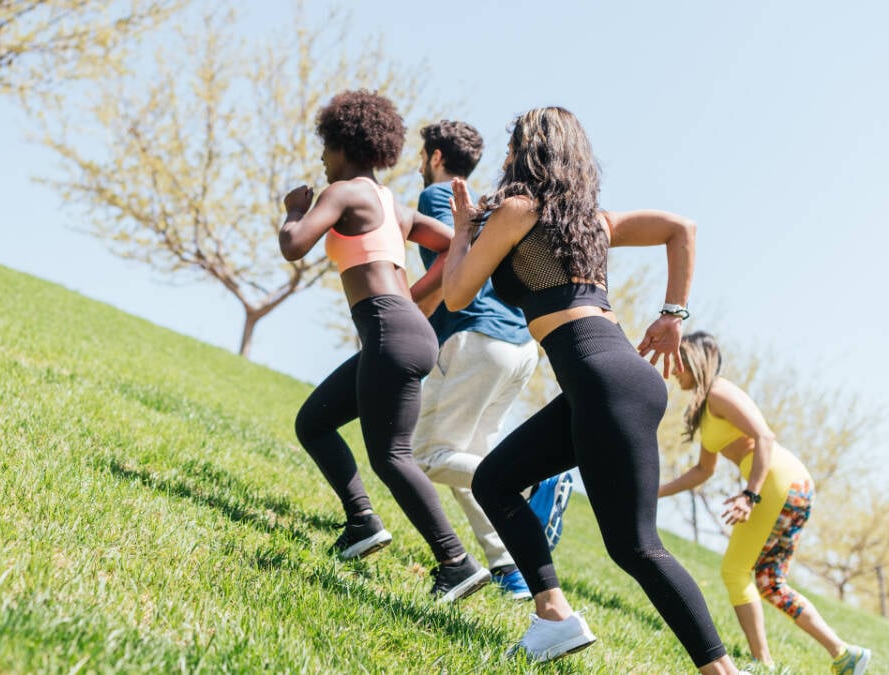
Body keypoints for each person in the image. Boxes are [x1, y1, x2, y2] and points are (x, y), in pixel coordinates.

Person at [443, 106, 744, 674]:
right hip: (606, 379)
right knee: (496, 480)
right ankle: (554, 617)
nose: (506, 156)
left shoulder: (519, 208)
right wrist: (673, 313)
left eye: (513, 145)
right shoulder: (593, 222)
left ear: (527, 150)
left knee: (636, 547)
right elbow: (683, 229)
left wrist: (462, 231)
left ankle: (723, 671)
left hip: (605, 380)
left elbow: (457, 294)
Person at [279, 90, 490, 603]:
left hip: (389, 332)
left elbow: (294, 246)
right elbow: (456, 243)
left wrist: (293, 210)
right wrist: (415, 297)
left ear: (345, 146)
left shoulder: (344, 193)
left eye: (325, 150)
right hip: (404, 332)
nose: (322, 161)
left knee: (392, 456)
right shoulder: (392, 205)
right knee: (314, 422)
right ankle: (362, 523)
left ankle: (456, 563)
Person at [411, 120, 575, 601]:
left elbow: (447, 260)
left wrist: (405, 302)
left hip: (476, 340)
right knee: (470, 458)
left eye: (423, 155)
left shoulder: (439, 196)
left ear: (435, 157)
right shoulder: (486, 206)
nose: (421, 164)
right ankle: (510, 567)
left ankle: (532, 487)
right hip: (519, 347)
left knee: (425, 457)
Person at [659, 332, 872, 675]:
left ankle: (764, 665)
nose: (672, 370)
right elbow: (702, 471)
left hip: (775, 481)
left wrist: (750, 494)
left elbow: (765, 436)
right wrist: (654, 493)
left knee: (734, 571)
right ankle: (845, 654)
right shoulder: (705, 406)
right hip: (789, 482)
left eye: (678, 361)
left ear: (696, 359)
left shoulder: (718, 392)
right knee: (770, 581)